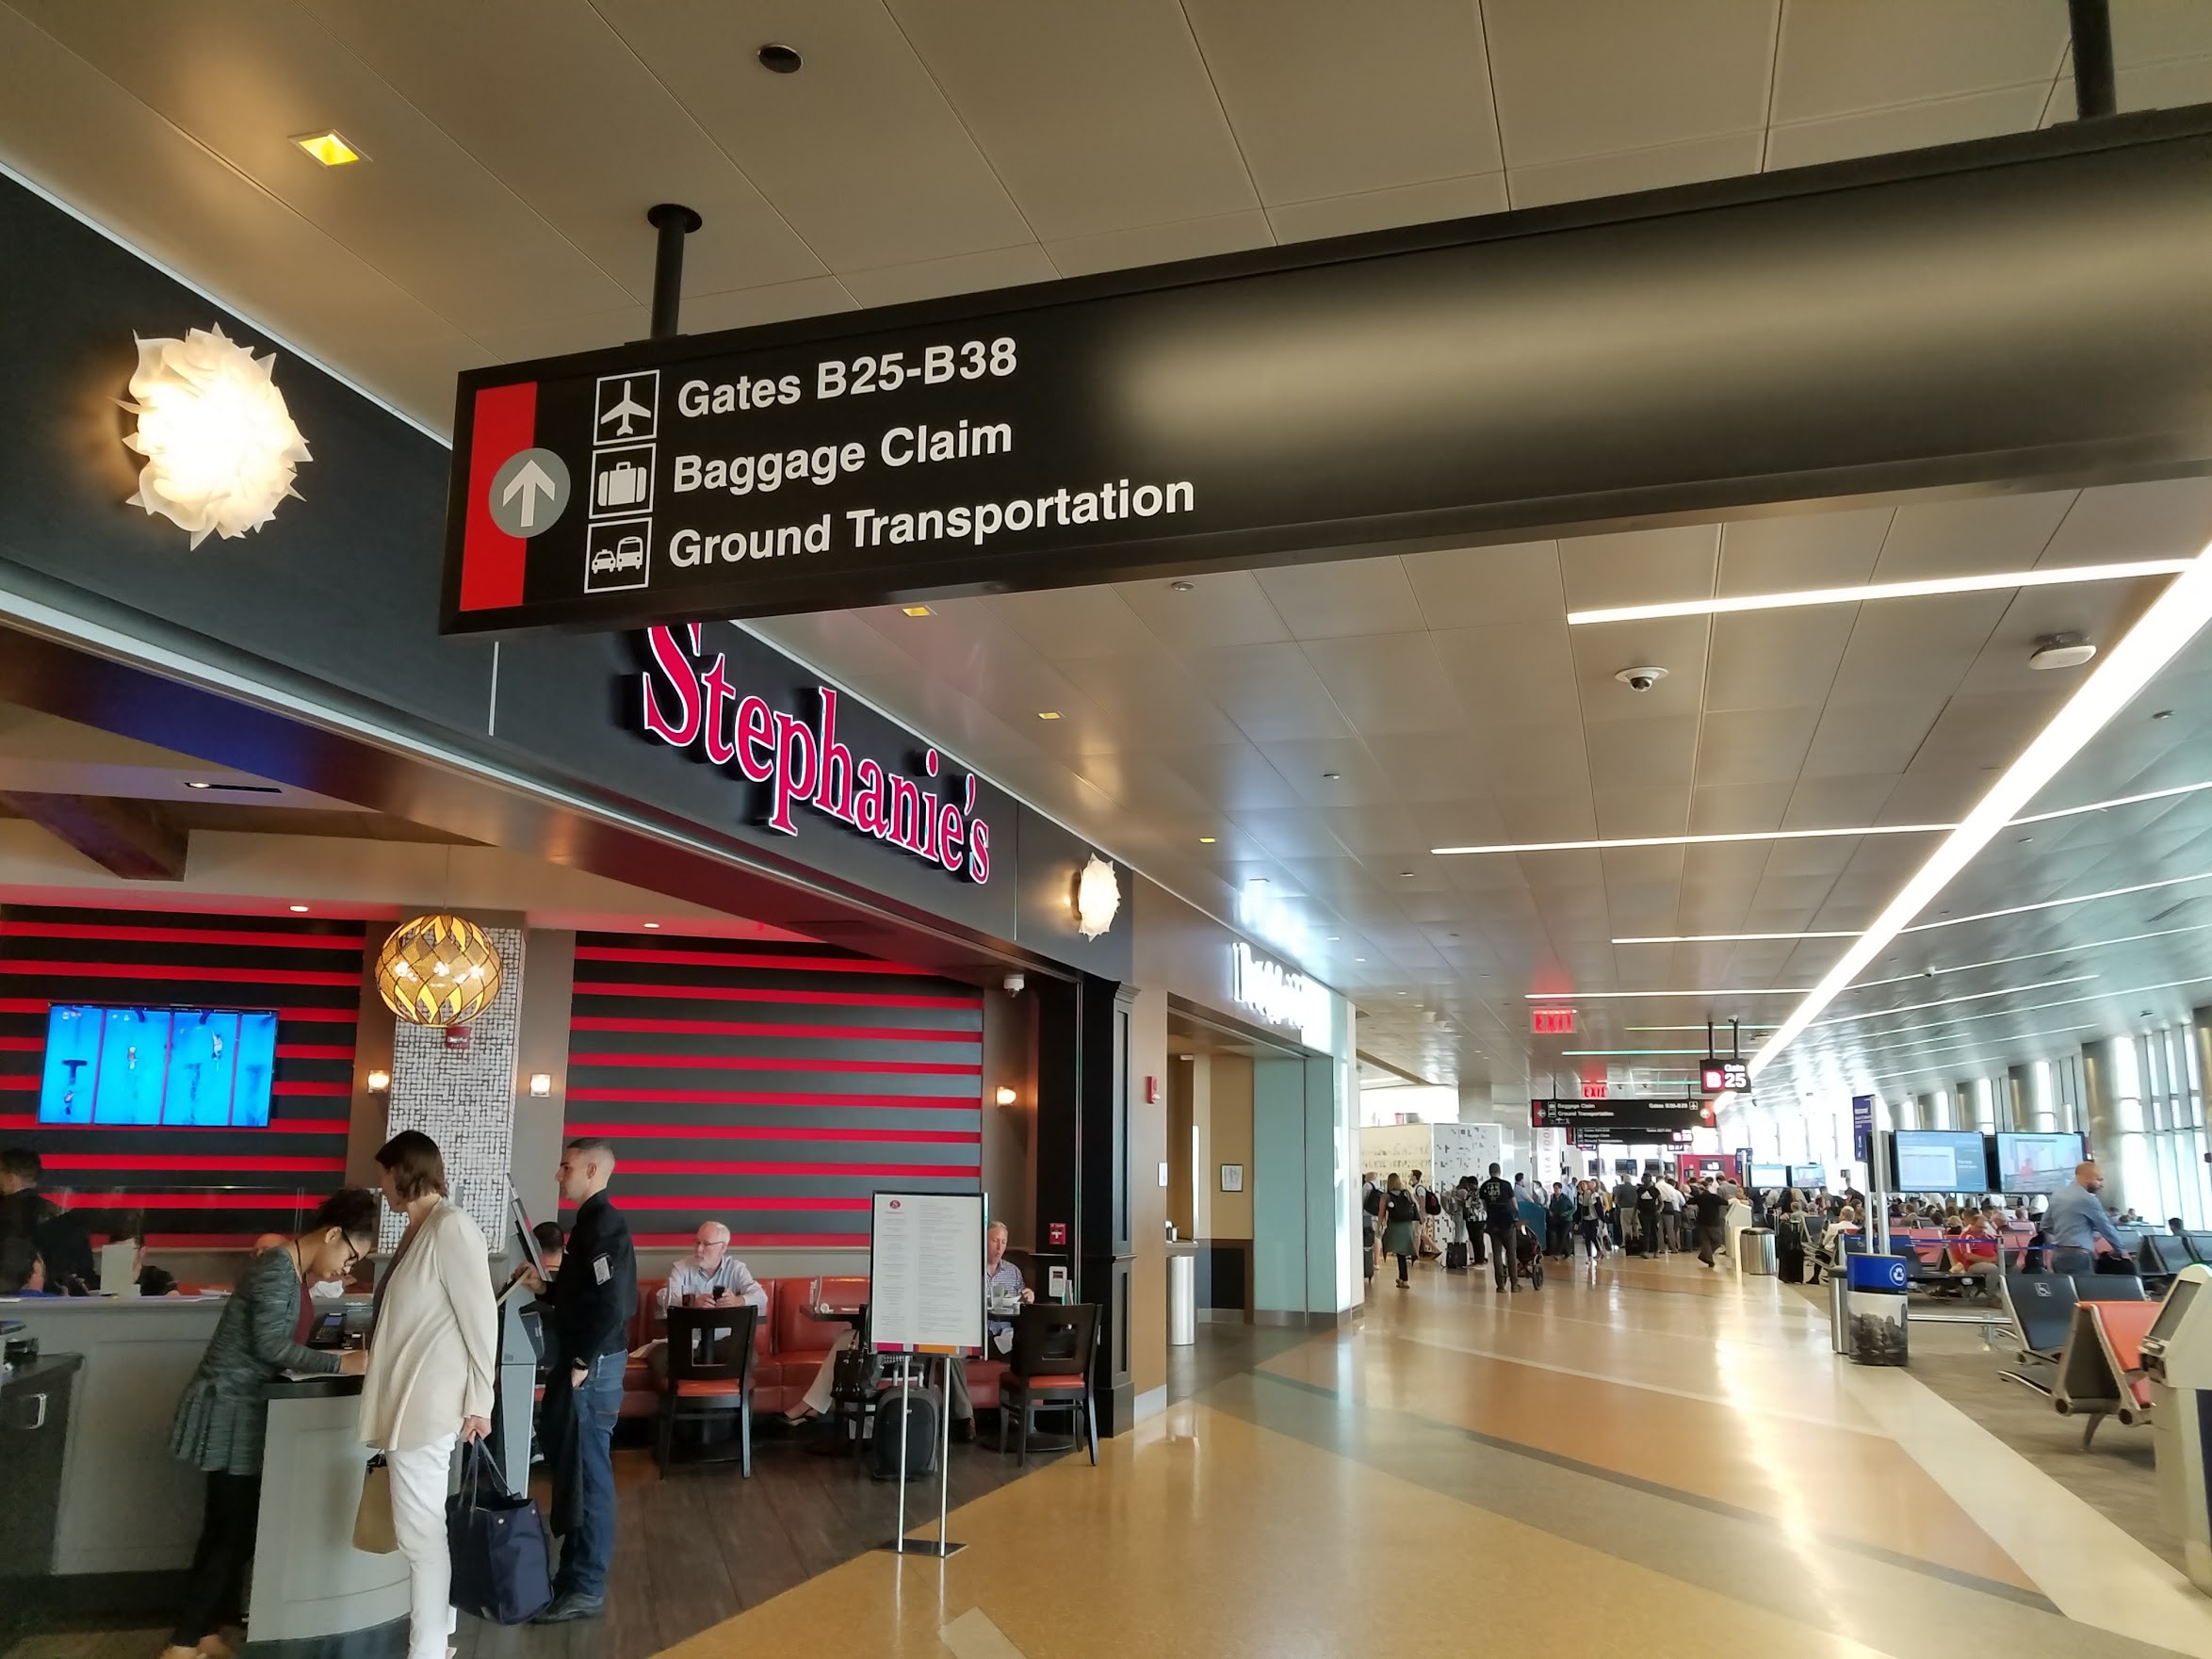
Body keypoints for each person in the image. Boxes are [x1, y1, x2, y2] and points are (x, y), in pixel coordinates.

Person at [161, 1190, 376, 1659]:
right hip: (230, 1406)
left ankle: (204, 1632)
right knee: (231, 1530)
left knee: (229, 1528)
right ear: (334, 1234)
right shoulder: (279, 1267)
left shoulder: (292, 1268)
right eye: (350, 1255)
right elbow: (271, 1346)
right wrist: (344, 1365)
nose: (347, 1268)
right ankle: (181, 1643)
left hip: (244, 1407)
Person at [359, 1133, 498, 1659]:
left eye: (384, 1173)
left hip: (428, 1404)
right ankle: (439, 1638)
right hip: (413, 1400)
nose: (380, 1184)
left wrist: (480, 1401)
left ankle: (428, 1650)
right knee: (424, 1531)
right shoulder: (421, 1230)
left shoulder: (450, 1227)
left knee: (420, 1538)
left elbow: (481, 1319)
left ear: (403, 1171)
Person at [528, 1137, 634, 1622]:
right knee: (578, 1472)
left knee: (589, 1477)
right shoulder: (589, 1225)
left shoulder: (604, 1225)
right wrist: (545, 1288)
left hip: (591, 1369)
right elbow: (585, 1296)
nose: (559, 1175)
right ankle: (574, 1578)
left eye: (566, 1166)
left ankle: (586, 1585)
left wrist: (582, 1362)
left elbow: (614, 1304)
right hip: (586, 1364)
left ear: (592, 1170)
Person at [647, 1221, 768, 1386]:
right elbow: (664, 1296)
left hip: (722, 1340)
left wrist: (738, 1301)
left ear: (723, 1248)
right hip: (687, 1340)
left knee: (750, 1357)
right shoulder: (682, 1268)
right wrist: (691, 1302)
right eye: (697, 1242)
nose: (699, 1249)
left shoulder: (736, 1269)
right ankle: (675, 1404)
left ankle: (728, 1404)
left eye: (706, 1244)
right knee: (658, 1358)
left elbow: (761, 1297)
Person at [950, 1220, 1033, 1439]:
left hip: (1003, 1336)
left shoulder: (1013, 1272)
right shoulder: (967, 1269)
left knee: (1029, 1349)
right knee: (951, 1356)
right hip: (974, 1336)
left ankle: (1020, 1415)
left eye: (1003, 1242)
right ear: (983, 1241)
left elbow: (1021, 1305)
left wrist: (1027, 1295)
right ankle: (966, 1418)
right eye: (995, 1241)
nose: (999, 1247)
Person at [2045, 1161, 2128, 1275]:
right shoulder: (2088, 1199)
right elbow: (2106, 1227)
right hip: (2079, 1257)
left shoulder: (2057, 1195)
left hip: (2058, 1255)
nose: (2101, 1184)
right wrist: (2121, 1250)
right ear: (2087, 1178)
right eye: (2099, 1180)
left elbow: (2046, 1225)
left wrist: (2067, 1233)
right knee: (2087, 1291)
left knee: (2064, 1291)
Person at [1476, 1163, 1518, 1291]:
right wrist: (1515, 1217)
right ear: (1499, 1171)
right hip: (1507, 1223)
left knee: (1497, 1254)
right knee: (1511, 1253)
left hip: (1493, 1223)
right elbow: (1514, 1204)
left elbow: (1484, 1206)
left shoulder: (1483, 1187)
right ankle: (1515, 1285)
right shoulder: (1506, 1185)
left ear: (1490, 1172)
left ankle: (1500, 1286)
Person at [1379, 1174, 1419, 1288]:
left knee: (1393, 1247)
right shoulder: (1406, 1193)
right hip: (1407, 1226)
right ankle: (1403, 1278)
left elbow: (1381, 1214)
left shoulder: (1386, 1196)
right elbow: (1415, 1205)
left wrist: (1378, 1228)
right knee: (1403, 1251)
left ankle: (1403, 1278)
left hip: (1394, 1226)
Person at [1691, 1178, 1729, 1268]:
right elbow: (1725, 1202)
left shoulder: (1699, 1198)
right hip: (1713, 1222)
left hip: (1701, 1222)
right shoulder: (1713, 1197)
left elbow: (1689, 1201)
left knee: (1705, 1241)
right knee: (1718, 1241)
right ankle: (1704, 1256)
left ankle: (1708, 1258)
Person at [1359, 1173, 1382, 1283]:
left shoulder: (1367, 1186)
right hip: (1377, 1215)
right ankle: (1376, 1261)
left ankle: (1367, 1262)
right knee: (1377, 1237)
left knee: (1367, 1238)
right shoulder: (1379, 1187)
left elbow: (1361, 1200)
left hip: (1367, 1215)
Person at [1546, 1181, 1573, 1259]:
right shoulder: (1552, 1197)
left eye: (1557, 1188)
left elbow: (1573, 1208)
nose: (1555, 1190)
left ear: (1560, 1189)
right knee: (1560, 1236)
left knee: (1563, 1235)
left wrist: (1567, 1213)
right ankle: (1568, 1252)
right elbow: (1551, 1206)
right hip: (1557, 1219)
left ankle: (1557, 1254)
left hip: (1566, 1220)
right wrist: (1551, 1211)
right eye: (1554, 1188)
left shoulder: (1565, 1198)